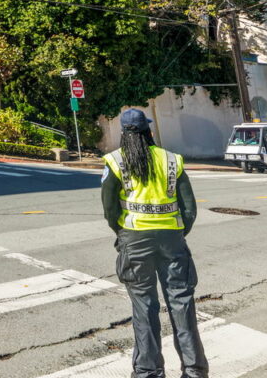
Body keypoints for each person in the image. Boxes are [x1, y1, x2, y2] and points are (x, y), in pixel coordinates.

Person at [101, 109, 207, 378]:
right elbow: (189, 209)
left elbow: (110, 209)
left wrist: (123, 233)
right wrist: (178, 233)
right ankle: (194, 370)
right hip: (172, 239)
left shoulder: (115, 161)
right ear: (149, 131)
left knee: (144, 307)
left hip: (134, 241)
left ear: (124, 134)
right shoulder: (172, 160)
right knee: (182, 303)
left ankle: (148, 372)